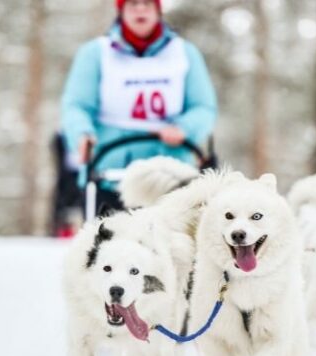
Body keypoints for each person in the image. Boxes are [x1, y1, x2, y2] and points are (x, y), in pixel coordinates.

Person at [60, 0, 217, 213]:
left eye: (147, 3)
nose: (140, 9)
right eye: (133, 3)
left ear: (158, 10)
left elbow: (203, 107)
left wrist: (184, 128)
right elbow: (77, 106)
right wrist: (81, 134)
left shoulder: (185, 52)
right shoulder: (95, 53)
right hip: (109, 172)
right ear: (121, 10)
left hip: (171, 173)